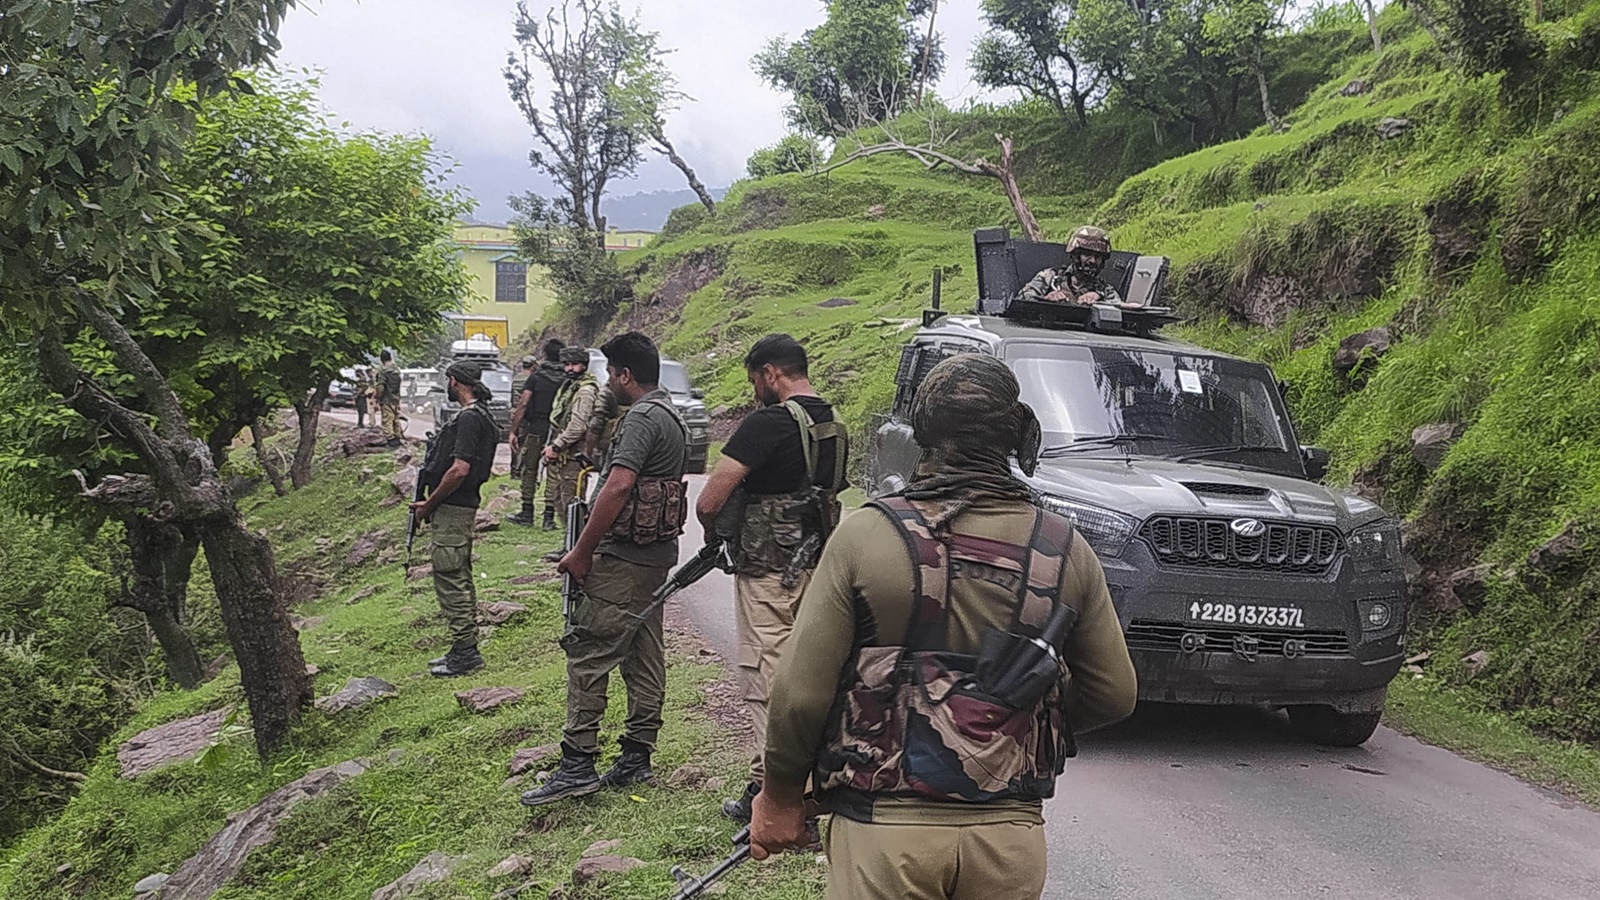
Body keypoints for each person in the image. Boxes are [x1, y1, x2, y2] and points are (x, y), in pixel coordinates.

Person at [749, 353, 1138, 899]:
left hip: (885, 833)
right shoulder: (1065, 548)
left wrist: (782, 796)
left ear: (920, 435)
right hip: (1009, 835)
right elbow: (1115, 694)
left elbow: (798, 695)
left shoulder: (867, 536)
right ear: (1020, 435)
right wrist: (1000, 716)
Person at [520, 332, 689, 807]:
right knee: (642, 653)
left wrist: (581, 552)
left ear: (625, 375)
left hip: (623, 559)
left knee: (590, 651)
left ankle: (578, 761)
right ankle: (636, 755)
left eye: (610, 373)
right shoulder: (672, 413)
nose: (607, 382)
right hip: (652, 558)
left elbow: (616, 488)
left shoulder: (641, 418)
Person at [694, 333, 848, 823]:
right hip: (819, 567)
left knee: (767, 678)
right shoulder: (833, 422)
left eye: (753, 380)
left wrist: (715, 534)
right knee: (811, 674)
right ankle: (794, 776)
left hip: (768, 571)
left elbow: (710, 499)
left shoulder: (768, 422)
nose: (754, 390)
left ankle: (777, 792)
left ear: (770, 374)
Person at [411, 361, 501, 677]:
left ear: (454, 381)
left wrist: (429, 504)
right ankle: (462, 648)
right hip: (460, 507)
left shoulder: (469, 419)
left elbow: (460, 469)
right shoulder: (480, 416)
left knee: (450, 576)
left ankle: (465, 651)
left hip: (454, 507)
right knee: (458, 575)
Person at [541, 347, 602, 556]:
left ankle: (576, 549)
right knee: (559, 500)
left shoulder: (585, 390)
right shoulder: (571, 386)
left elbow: (578, 426)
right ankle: (569, 545)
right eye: (566, 364)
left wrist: (557, 446)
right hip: (563, 455)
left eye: (574, 364)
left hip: (574, 456)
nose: (569, 368)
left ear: (584, 365)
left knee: (572, 503)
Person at [506, 339, 567, 528]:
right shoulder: (568, 378)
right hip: (559, 429)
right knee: (554, 471)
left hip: (537, 427)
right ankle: (549, 516)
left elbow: (523, 403)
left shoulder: (536, 377)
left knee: (529, 468)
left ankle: (527, 511)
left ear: (544, 355)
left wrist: (513, 431)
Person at [1016, 225, 1123, 306]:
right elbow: (1022, 298)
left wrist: (1100, 300)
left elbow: (1121, 308)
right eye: (1087, 254)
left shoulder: (1105, 290)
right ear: (1076, 256)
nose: (1093, 261)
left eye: (1098, 257)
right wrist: (1047, 299)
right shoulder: (1050, 278)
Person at [376, 349, 405, 448]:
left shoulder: (383, 371)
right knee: (396, 419)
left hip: (387, 399)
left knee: (387, 420)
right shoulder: (396, 370)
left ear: (381, 359)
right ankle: (398, 437)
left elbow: (381, 387)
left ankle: (391, 440)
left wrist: (378, 398)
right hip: (396, 398)